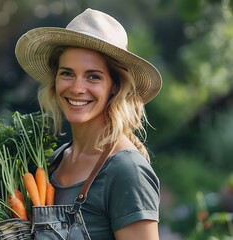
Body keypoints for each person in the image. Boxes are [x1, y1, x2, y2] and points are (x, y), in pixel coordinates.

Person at [15, 8, 162, 240]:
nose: (76, 88)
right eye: (67, 73)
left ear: (115, 86)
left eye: (93, 76)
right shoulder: (57, 161)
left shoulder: (126, 170)